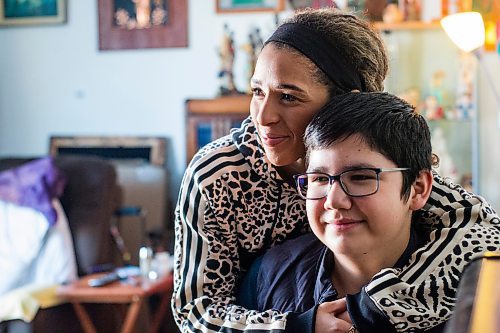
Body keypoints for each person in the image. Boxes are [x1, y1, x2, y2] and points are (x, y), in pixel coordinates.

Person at [172, 7, 498, 332]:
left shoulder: (382, 161)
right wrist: (296, 327)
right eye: (258, 91)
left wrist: (369, 309)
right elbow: (194, 313)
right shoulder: (220, 174)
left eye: (288, 96)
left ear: (346, 101)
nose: (263, 116)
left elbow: (483, 236)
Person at [238, 92, 500, 332]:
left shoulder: (476, 294)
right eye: (319, 179)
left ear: (418, 189)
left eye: (361, 177)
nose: (334, 200)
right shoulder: (270, 275)